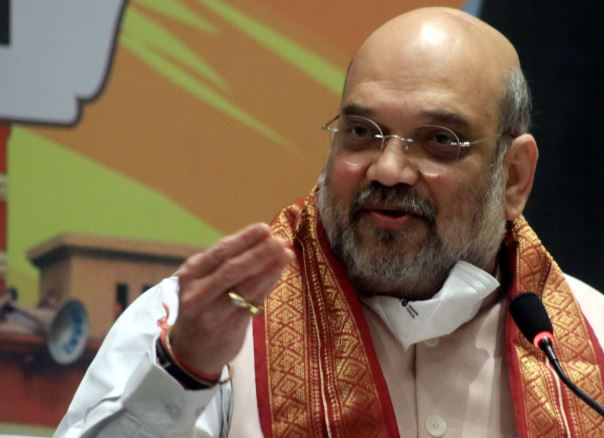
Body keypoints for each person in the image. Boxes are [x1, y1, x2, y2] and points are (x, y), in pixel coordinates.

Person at [56, 7, 604, 438]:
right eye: (362, 132)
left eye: (439, 140)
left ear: (513, 178)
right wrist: (181, 373)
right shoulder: (203, 328)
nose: (387, 169)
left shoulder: (589, 344)